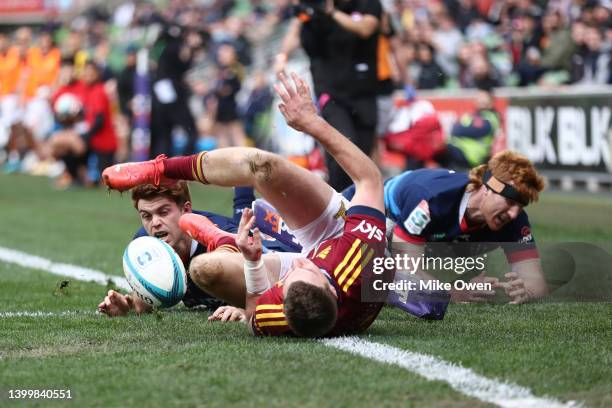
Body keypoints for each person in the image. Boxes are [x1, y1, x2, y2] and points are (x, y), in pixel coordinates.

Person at [102, 72, 387, 338]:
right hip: (342, 238)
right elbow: (371, 179)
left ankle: (211, 229)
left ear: (282, 296)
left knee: (204, 269)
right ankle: (164, 169)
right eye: (308, 269)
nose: (301, 260)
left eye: (291, 276)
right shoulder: (360, 258)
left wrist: (252, 263)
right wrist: (311, 123)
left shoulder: (280, 313)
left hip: (323, 262)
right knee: (263, 168)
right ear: (329, 287)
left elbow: (253, 313)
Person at [344, 150, 548, 313]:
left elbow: (536, 281)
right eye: (510, 202)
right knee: (370, 280)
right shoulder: (432, 200)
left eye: (520, 207)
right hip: (363, 209)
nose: (513, 214)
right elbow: (405, 274)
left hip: (411, 237)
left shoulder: (513, 220)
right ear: (487, 188)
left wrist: (526, 291)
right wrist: (454, 293)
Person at [274, 0, 382, 191]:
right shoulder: (314, 6)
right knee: (342, 141)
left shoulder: (367, 4)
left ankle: (362, 203)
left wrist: (332, 13)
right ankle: (338, 200)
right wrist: (283, 56)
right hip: (331, 92)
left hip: (364, 91)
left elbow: (365, 29)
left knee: (363, 153)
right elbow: (296, 31)